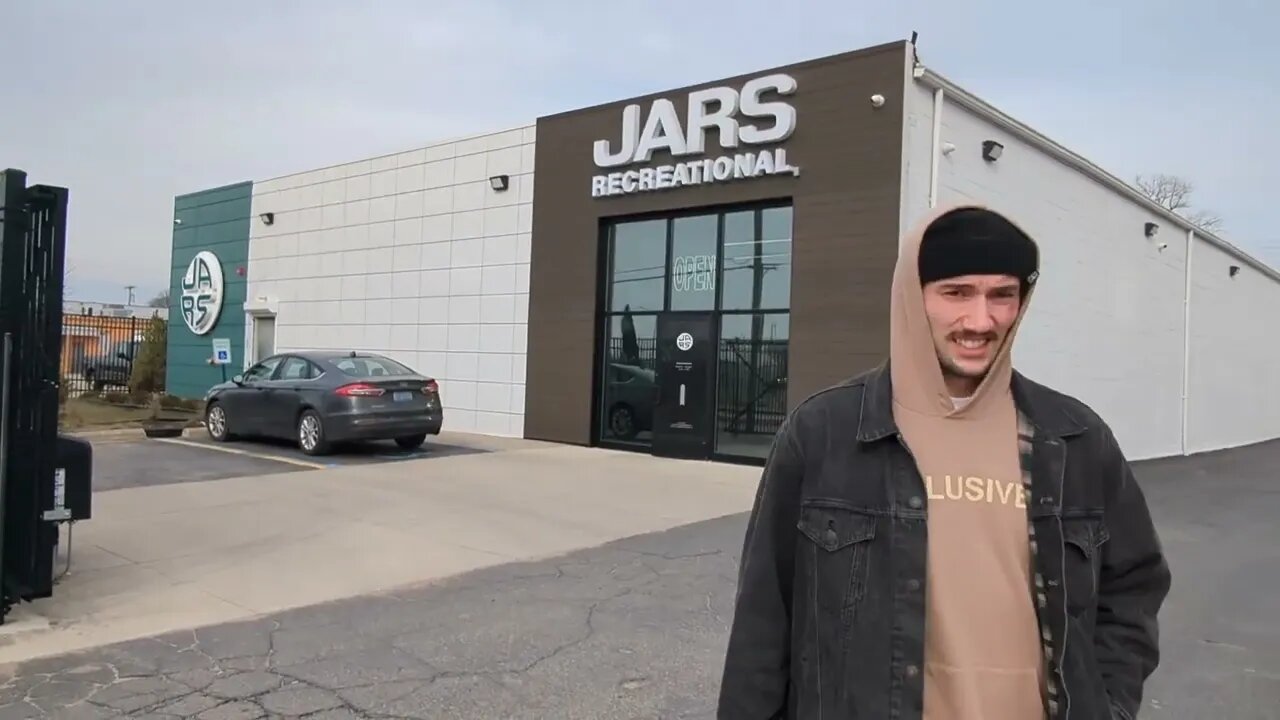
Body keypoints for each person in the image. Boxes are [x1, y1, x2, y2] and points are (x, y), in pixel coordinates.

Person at [717, 205, 1171, 719]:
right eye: (956, 293)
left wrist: (1108, 704)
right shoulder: (823, 432)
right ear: (914, 297)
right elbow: (763, 621)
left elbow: (1133, 588)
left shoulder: (1076, 438)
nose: (981, 321)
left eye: (1003, 294)